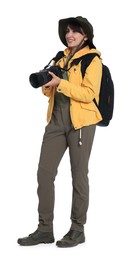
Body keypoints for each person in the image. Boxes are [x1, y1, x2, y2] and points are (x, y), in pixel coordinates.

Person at [17, 16, 102, 248]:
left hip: (81, 123)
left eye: (75, 31)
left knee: (78, 176)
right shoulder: (59, 58)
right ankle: (45, 229)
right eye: (67, 31)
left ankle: (77, 229)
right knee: (44, 174)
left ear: (86, 35)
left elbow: (88, 94)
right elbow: (49, 93)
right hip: (55, 121)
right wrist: (47, 84)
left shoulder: (92, 61)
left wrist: (61, 84)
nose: (69, 35)